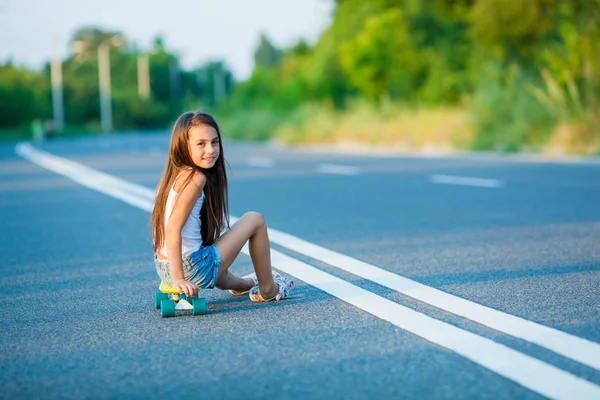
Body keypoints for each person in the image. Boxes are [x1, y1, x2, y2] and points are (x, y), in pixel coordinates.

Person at [150, 111, 294, 302]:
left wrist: (173, 276)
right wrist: (178, 279)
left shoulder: (171, 176)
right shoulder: (196, 178)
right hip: (187, 268)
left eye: (214, 142)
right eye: (201, 143)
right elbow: (172, 228)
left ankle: (249, 283)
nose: (210, 150)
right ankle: (268, 288)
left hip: (163, 266)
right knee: (255, 219)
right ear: (183, 147)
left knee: (219, 273)